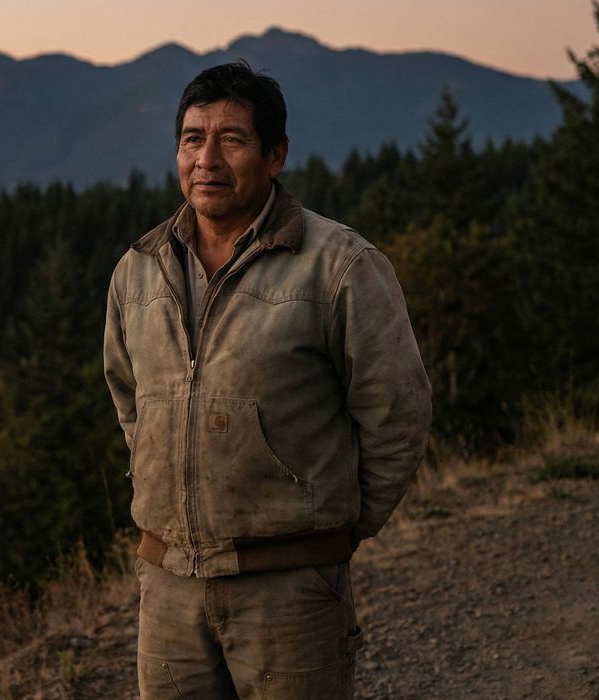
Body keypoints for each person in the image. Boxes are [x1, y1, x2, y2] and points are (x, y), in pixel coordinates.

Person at [102, 61, 432, 699]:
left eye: (232, 139)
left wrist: (337, 529)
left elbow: (397, 410)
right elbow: (128, 401)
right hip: (168, 586)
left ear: (275, 155)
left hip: (293, 589)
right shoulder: (137, 272)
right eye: (193, 138)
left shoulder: (338, 266)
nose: (207, 159)